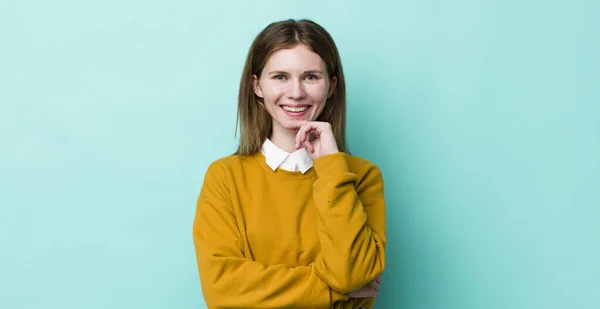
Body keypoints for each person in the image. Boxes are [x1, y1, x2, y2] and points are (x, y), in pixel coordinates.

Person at [192, 19, 386, 309]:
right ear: (257, 85)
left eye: (310, 77)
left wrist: (332, 166)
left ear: (331, 86)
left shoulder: (362, 176)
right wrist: (332, 291)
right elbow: (222, 290)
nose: (296, 93)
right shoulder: (225, 177)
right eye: (280, 77)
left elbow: (352, 272)